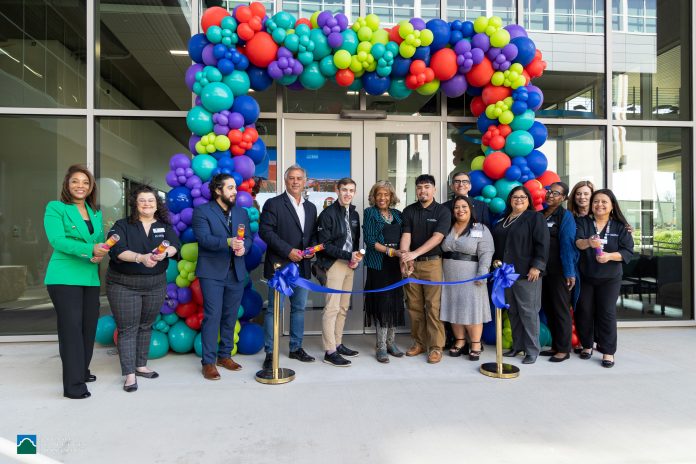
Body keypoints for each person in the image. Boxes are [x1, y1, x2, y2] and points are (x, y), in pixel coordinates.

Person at [105, 185, 180, 392]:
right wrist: (140, 258)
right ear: (135, 204)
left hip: (155, 284)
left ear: (157, 205)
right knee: (128, 328)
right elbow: (116, 250)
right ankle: (129, 374)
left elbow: (175, 246)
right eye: (142, 200)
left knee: (146, 325)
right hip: (123, 284)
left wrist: (164, 254)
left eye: (151, 200)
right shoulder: (122, 225)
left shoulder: (164, 226)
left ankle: (140, 365)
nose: (147, 204)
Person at [43, 165, 108, 399]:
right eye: (75, 182)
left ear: (91, 187)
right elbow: (57, 241)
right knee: (71, 330)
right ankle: (73, 385)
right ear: (67, 185)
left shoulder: (95, 213)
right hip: (64, 276)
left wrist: (100, 252)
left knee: (88, 327)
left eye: (85, 182)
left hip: (89, 277)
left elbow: (99, 242)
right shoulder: (56, 208)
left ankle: (81, 369)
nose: (80, 186)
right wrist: (89, 248)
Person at [192, 174, 252, 380]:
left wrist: (244, 248)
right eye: (230, 188)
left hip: (236, 271)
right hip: (212, 273)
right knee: (213, 316)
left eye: (235, 188)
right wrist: (228, 242)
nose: (235, 191)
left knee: (230, 315)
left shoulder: (241, 213)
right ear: (218, 190)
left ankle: (224, 355)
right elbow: (203, 239)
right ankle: (208, 362)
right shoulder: (202, 211)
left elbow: (249, 239)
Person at [258, 164, 317, 369]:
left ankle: (295, 348)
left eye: (299, 178)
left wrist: (311, 249)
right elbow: (265, 232)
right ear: (285, 181)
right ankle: (269, 352)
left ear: (305, 182)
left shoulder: (311, 207)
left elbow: (309, 236)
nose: (295, 181)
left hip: (302, 267)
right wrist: (288, 251)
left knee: (299, 308)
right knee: (274, 311)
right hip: (280, 266)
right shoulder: (273, 204)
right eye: (291, 178)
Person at [574, 189, 634, 368]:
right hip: (586, 275)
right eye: (596, 201)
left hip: (610, 278)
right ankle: (587, 345)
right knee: (584, 310)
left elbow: (627, 252)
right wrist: (588, 243)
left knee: (606, 313)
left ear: (612, 205)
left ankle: (608, 352)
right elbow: (577, 242)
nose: (599, 205)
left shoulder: (620, 227)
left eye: (604, 202)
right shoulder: (583, 222)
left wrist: (609, 256)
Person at [492, 186, 549, 364]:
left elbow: (543, 243)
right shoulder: (504, 220)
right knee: (514, 311)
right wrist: (496, 262)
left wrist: (537, 266)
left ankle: (532, 350)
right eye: (515, 197)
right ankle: (518, 346)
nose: (519, 199)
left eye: (523, 197)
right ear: (510, 199)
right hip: (506, 274)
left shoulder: (534, 217)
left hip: (527, 273)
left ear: (528, 200)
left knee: (528, 312)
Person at [399, 174, 451, 364]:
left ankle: (436, 347)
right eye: (419, 187)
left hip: (432, 264)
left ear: (434, 190)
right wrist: (405, 258)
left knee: (433, 307)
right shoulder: (409, 210)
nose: (423, 190)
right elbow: (406, 236)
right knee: (413, 306)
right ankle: (419, 343)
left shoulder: (443, 212)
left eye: (427, 187)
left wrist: (415, 253)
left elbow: (438, 238)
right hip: (412, 265)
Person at [315, 178, 363, 367]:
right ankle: (330, 350)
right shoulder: (327, 214)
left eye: (351, 190)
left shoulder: (354, 214)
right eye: (344, 190)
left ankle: (338, 342)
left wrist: (356, 258)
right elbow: (324, 246)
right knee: (332, 307)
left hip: (349, 263)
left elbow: (355, 239)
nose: (347, 194)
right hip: (334, 263)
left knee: (343, 307)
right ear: (337, 190)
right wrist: (347, 255)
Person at [440, 196, 494, 361]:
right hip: (448, 275)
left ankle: (476, 344)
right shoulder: (447, 227)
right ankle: (460, 341)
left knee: (472, 309)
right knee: (453, 307)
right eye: (457, 207)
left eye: (464, 206)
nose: (460, 210)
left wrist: (482, 274)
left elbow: (486, 253)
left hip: (471, 275)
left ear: (471, 209)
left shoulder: (480, 229)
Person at [362, 181, 406, 363]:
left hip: (395, 265)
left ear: (391, 197)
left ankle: (391, 342)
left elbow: (405, 235)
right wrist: (391, 252)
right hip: (379, 265)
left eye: (386, 195)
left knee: (394, 302)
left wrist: (403, 256)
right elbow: (370, 241)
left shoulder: (397, 214)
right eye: (379, 194)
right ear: (374, 196)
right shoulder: (370, 213)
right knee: (382, 303)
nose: (383, 198)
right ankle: (380, 346)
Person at [539, 182, 578, 363]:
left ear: (563, 198)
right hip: (541, 270)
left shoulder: (565, 216)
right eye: (548, 191)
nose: (550, 195)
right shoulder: (539, 214)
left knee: (560, 308)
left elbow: (568, 244)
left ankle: (564, 348)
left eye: (555, 193)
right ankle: (555, 345)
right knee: (548, 308)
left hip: (559, 270)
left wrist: (569, 271)